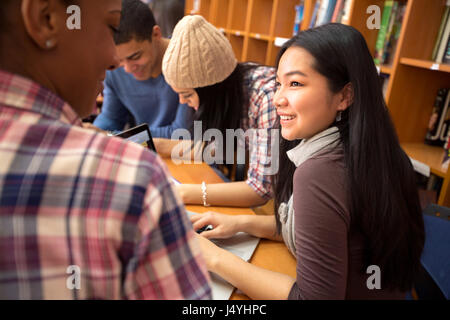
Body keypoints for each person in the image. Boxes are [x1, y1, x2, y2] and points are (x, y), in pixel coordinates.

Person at [190, 23, 425, 300]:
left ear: (344, 96)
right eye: (278, 84)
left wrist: (214, 259)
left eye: (296, 84)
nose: (277, 99)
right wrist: (241, 223)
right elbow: (320, 233)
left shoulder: (320, 173)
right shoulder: (371, 151)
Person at [0, 0, 211, 300]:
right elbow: (107, 123)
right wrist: (115, 142)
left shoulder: (180, 64)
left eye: (132, 54)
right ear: (45, 18)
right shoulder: (134, 180)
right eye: (110, 27)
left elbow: (182, 135)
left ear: (155, 35)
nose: (117, 62)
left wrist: (113, 139)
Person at [160, 15, 278, 208]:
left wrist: (183, 193)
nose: (182, 102)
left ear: (211, 91)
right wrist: (157, 146)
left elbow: (260, 190)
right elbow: (215, 149)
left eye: (187, 94)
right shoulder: (232, 94)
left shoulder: (268, 97)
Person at [91, 0, 194, 138]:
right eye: (119, 60)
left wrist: (122, 137)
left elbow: (182, 133)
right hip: (143, 147)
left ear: (156, 35)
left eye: (135, 56)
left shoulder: (187, 62)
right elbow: (111, 119)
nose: (127, 69)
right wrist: (93, 134)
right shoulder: (115, 70)